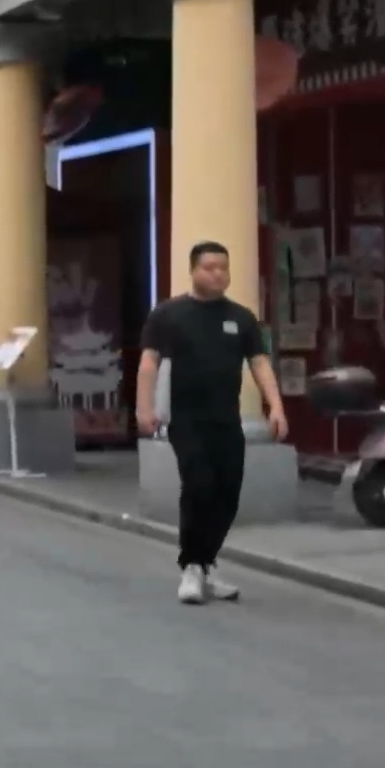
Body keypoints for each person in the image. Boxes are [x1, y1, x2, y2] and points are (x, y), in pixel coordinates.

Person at [136, 238, 288, 606]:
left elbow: (259, 363)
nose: (218, 274)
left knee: (228, 494)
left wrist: (276, 406)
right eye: (209, 268)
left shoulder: (242, 318)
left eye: (223, 268)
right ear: (193, 270)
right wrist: (144, 408)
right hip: (186, 418)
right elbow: (149, 363)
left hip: (227, 419)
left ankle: (206, 562)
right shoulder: (168, 315)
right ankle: (191, 566)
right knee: (199, 485)